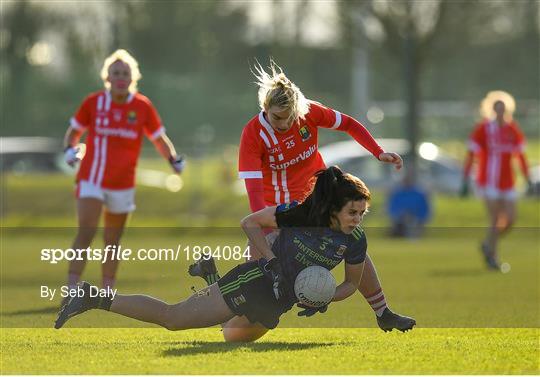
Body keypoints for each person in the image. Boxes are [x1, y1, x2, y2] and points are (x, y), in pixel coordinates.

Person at [189, 61, 415, 342]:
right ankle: (212, 280)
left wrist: (377, 152)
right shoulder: (253, 135)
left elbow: (349, 124)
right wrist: (270, 237)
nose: (283, 123)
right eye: (276, 117)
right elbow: (255, 196)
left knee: (351, 244)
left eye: (287, 117)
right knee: (238, 329)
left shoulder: (309, 112)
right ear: (265, 109)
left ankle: (383, 313)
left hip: (317, 204)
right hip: (278, 215)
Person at [54, 167, 416, 334]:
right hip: (252, 283)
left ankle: (210, 274)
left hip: (277, 303)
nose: (358, 218)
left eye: (362, 213)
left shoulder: (355, 240)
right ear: (335, 207)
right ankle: (94, 298)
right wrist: (273, 264)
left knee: (231, 336)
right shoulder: (299, 214)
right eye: (353, 211)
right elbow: (249, 222)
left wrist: (325, 298)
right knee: (174, 319)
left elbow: (352, 284)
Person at [62, 49, 185, 300]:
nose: (120, 77)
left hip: (123, 183)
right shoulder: (94, 102)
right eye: (116, 72)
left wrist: (173, 159)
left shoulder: (142, 106)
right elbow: (73, 132)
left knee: (112, 240)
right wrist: (69, 150)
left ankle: (106, 292)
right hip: (92, 178)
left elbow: (159, 139)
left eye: (125, 73)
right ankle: (72, 288)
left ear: (132, 78)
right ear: (107, 77)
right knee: (86, 231)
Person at [461, 90, 531, 270]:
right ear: (491, 109)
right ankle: (493, 257)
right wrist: (465, 180)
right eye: (497, 108)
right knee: (495, 218)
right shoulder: (483, 129)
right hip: (488, 181)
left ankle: (487, 244)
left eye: (503, 108)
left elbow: (521, 156)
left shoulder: (512, 129)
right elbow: (471, 154)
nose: (500, 112)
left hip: (508, 182)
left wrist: (527, 176)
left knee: (511, 219)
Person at [387, 168, 431, 238]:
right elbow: (392, 210)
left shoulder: (420, 193)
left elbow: (424, 210)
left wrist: (417, 218)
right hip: (400, 222)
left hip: (417, 221)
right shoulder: (397, 193)